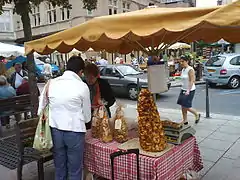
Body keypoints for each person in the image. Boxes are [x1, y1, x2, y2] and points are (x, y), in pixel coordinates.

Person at [38, 56, 91, 180]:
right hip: (75, 131)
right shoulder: (82, 86)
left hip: (55, 130)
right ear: (80, 71)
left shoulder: (51, 83)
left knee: (60, 167)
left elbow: (40, 109)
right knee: (75, 169)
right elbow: (87, 117)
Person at [84, 63, 116, 129]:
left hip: (103, 116)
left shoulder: (103, 84)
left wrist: (104, 104)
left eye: (91, 78)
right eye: (87, 77)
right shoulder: (83, 84)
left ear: (96, 76)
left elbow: (112, 99)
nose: (89, 80)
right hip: (88, 118)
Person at [177, 55, 200, 125]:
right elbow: (183, 79)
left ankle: (197, 114)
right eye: (180, 61)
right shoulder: (183, 69)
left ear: (187, 61)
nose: (181, 63)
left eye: (182, 61)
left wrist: (188, 90)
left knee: (186, 106)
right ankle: (185, 120)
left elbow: (192, 80)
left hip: (190, 90)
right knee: (182, 105)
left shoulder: (190, 69)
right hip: (183, 89)